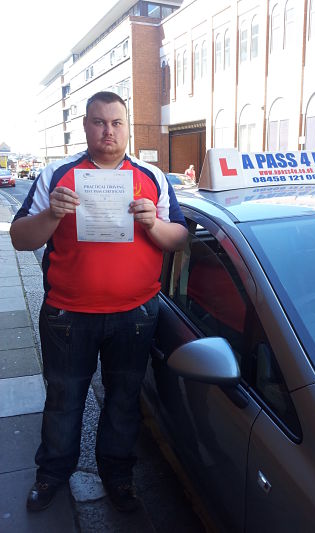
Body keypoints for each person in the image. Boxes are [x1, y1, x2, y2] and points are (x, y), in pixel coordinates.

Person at [10, 91, 188, 513]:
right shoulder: (59, 173)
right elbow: (19, 239)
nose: (107, 130)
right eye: (98, 122)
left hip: (136, 314)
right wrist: (51, 215)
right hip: (68, 315)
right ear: (86, 126)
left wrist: (152, 224)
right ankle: (52, 474)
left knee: (124, 400)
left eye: (116, 122)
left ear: (128, 127)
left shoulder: (151, 176)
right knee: (64, 399)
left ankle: (118, 476)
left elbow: (179, 238)